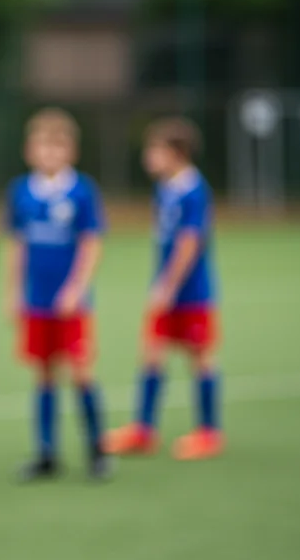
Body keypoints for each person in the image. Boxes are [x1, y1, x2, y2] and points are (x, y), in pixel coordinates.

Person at [105, 117, 222, 461]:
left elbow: (190, 242)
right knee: (151, 352)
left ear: (178, 153)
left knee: (200, 357)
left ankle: (209, 432)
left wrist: (168, 285)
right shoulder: (164, 188)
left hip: (192, 292)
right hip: (166, 289)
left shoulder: (195, 190)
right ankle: (143, 429)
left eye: (155, 150)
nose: (149, 157)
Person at [3, 108, 110, 481]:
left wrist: (76, 289)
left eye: (57, 146)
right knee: (44, 375)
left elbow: (91, 243)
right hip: (36, 301)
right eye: (42, 146)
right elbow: (16, 245)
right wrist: (14, 291)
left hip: (72, 305)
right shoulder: (21, 192)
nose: (49, 153)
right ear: (29, 151)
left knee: (81, 372)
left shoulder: (82, 191)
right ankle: (46, 454)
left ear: (71, 152)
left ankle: (98, 451)